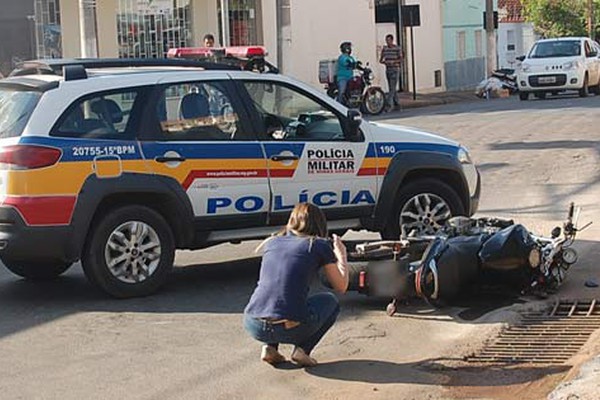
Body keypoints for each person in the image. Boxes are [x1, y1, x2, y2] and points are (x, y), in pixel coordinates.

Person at [243, 203, 349, 367]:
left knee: (278, 296)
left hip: (253, 323)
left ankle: (270, 347)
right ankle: (302, 351)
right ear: (319, 224)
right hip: (288, 327)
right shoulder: (317, 245)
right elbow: (341, 286)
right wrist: (341, 255)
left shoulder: (273, 241)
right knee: (330, 302)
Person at [379, 34, 403, 111]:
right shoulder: (385, 49)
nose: (387, 42)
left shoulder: (397, 48)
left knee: (392, 88)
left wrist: (394, 62)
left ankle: (388, 105)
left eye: (389, 40)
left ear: (392, 40)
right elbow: (381, 59)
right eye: (386, 40)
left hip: (395, 69)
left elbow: (401, 59)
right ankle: (397, 105)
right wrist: (384, 62)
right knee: (392, 88)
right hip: (388, 69)